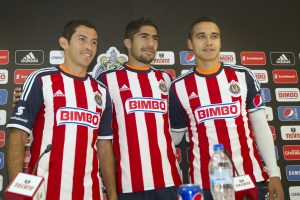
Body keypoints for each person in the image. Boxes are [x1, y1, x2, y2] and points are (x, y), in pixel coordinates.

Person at [169, 17, 284, 200]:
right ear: (190, 43)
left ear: (220, 41)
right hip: (205, 183)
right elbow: (174, 136)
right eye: (201, 36)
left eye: (214, 36)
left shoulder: (242, 76)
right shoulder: (178, 87)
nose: (209, 42)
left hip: (249, 178)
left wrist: (274, 173)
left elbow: (261, 126)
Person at [6, 19, 117, 200]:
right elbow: (17, 134)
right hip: (45, 192)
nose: (89, 46)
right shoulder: (41, 80)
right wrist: (18, 192)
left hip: (90, 194)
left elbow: (104, 146)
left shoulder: (102, 91)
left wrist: (112, 195)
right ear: (64, 43)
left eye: (94, 42)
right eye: (82, 39)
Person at [94, 17, 182, 200]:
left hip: (170, 183)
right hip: (128, 186)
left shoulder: (167, 80)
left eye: (155, 38)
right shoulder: (107, 80)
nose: (151, 43)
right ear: (128, 42)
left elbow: (178, 127)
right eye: (144, 37)